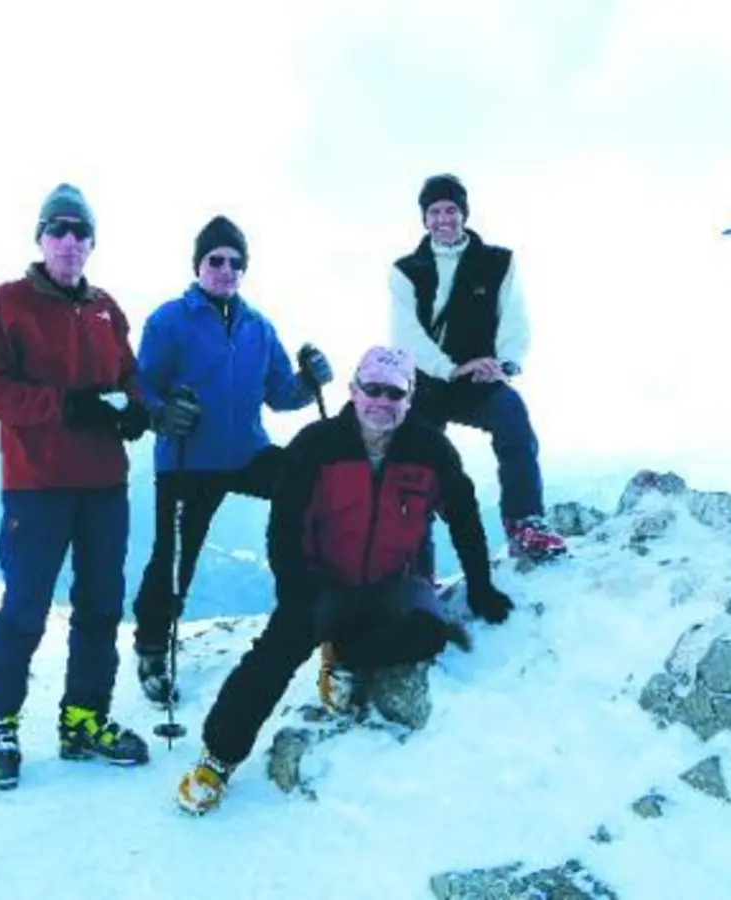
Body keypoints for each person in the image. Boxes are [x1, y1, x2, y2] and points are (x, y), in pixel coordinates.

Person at [175, 346, 515, 816]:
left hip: (392, 581)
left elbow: (463, 516)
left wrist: (480, 585)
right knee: (273, 657)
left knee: (430, 633)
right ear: (353, 392)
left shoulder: (429, 450)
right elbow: (285, 525)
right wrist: (294, 589)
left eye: (394, 393)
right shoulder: (316, 445)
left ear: (409, 399)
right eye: (372, 389)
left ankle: (344, 652)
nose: (382, 401)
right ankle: (218, 758)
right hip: (322, 582)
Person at [0, 183, 154, 791]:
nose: (69, 241)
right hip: (37, 485)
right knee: (25, 608)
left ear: (92, 243)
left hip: (104, 485)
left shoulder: (105, 307)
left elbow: (129, 375)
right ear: (40, 239)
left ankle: (83, 719)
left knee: (100, 606)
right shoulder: (7, 303)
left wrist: (137, 410)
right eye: (58, 230)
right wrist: (62, 407)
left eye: (80, 231)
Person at [131, 214, 333, 707]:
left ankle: (305, 600)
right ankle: (152, 648)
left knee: (309, 484)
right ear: (198, 265)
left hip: (247, 452)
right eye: (215, 260)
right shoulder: (168, 320)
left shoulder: (258, 328)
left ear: (245, 269)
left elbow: (281, 394)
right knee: (174, 559)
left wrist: (311, 381)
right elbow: (140, 385)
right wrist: (161, 412)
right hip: (186, 460)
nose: (225, 269)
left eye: (235, 262)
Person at [388, 173, 567, 571]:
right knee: (415, 460)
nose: (443, 219)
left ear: (464, 213)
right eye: (434, 211)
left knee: (513, 420)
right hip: (427, 383)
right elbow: (406, 336)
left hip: (480, 377)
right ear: (424, 219)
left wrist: (504, 365)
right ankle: (415, 562)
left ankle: (524, 524)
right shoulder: (405, 270)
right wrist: (449, 369)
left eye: (451, 209)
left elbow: (514, 319)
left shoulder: (498, 262)